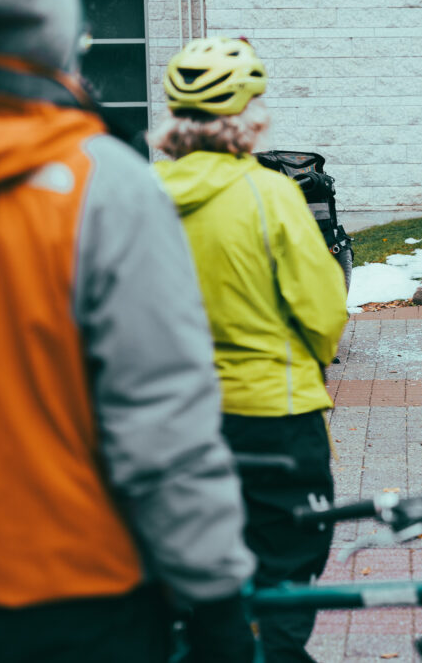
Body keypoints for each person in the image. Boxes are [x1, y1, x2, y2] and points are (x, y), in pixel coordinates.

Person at [0, 0, 256, 662]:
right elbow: (160, 421)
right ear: (62, 41)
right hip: (73, 595)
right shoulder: (104, 187)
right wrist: (215, 595)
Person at [150, 36, 349, 663]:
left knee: (193, 569)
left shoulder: (140, 197)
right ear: (247, 116)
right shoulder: (270, 196)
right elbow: (323, 313)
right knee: (287, 563)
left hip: (175, 423)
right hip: (274, 420)